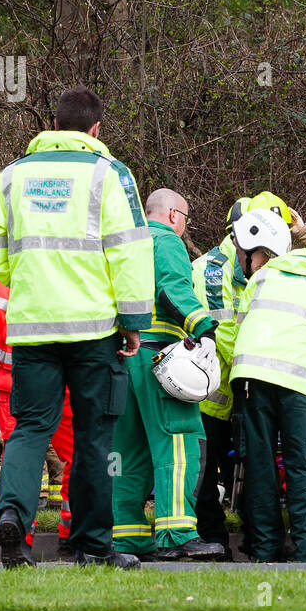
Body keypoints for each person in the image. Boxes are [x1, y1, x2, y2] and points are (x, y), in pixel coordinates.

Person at [0, 85, 154, 569]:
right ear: (96, 129)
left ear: (53, 127)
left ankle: (12, 516)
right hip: (94, 329)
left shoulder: (11, 176)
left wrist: (31, 280)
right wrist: (134, 321)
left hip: (33, 327)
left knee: (30, 429)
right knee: (94, 438)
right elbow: (131, 252)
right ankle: (94, 548)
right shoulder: (111, 174)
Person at [230, 209, 306, 563]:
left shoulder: (264, 276)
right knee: (301, 462)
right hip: (297, 383)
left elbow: (242, 325)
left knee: (259, 462)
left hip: (250, 378)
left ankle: (266, 548)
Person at [112, 188, 225, 561]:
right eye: (186, 219)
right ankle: (176, 533)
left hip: (122, 359)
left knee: (129, 450)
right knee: (179, 443)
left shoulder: (121, 242)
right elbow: (172, 289)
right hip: (159, 359)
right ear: (174, 215)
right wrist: (204, 328)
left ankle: (126, 536)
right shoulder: (166, 241)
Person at [0, 279, 75, 556]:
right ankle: (66, 532)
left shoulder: (4, 279)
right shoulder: (53, 267)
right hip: (46, 380)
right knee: (76, 455)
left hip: (21, 382)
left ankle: (19, 532)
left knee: (19, 458)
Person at [189, 196, 251, 557]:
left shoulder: (251, 265)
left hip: (238, 388)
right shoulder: (214, 268)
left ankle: (249, 536)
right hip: (214, 391)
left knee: (243, 467)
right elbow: (223, 328)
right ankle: (213, 536)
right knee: (206, 470)